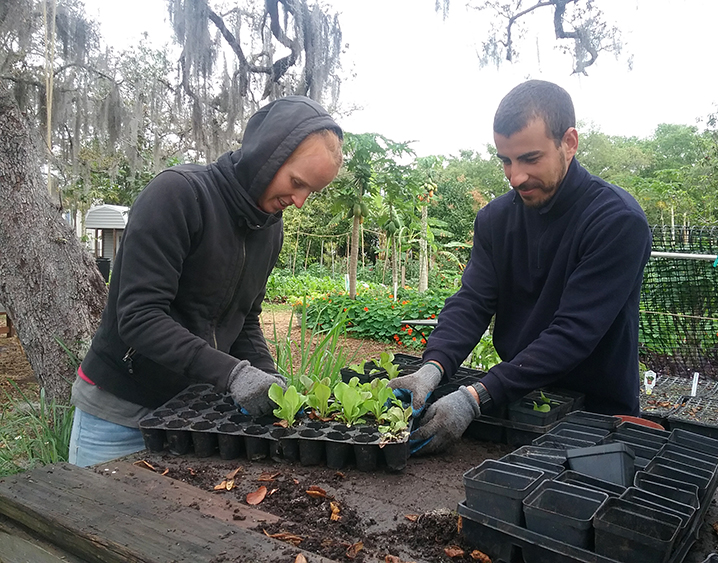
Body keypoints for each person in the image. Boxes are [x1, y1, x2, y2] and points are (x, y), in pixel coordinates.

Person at [69, 96, 343, 467]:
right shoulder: (178, 194)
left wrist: (269, 378)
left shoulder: (269, 230)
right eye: (297, 182)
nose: (299, 201)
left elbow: (243, 319)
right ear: (268, 155)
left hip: (194, 418)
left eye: (311, 191)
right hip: (121, 412)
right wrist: (232, 373)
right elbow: (139, 317)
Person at [389, 80, 652, 455]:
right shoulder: (496, 219)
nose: (516, 177)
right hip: (520, 403)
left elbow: (572, 333)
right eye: (506, 161)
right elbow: (473, 301)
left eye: (530, 158)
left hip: (596, 416)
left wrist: (474, 397)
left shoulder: (615, 221)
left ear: (569, 143)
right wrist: (433, 366)